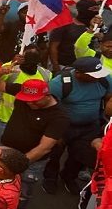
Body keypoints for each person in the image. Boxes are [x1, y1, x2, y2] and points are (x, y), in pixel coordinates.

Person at [0, 79, 69, 209]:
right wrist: (0, 72)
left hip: (31, 162)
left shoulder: (59, 117)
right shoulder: (24, 92)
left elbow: (44, 147)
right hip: (5, 149)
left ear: (47, 95)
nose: (30, 104)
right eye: (27, 100)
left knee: (23, 190)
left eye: (35, 101)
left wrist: (16, 164)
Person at [43, 57, 112, 194]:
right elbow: (49, 108)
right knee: (54, 154)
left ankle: (69, 177)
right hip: (64, 127)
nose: (98, 78)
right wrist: (54, 131)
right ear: (79, 73)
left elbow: (108, 98)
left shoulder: (105, 79)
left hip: (90, 126)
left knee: (80, 156)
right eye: (93, 75)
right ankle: (50, 178)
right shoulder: (59, 83)